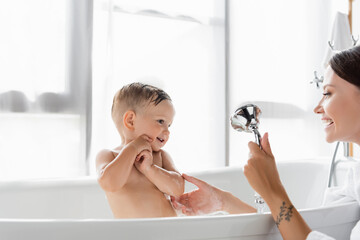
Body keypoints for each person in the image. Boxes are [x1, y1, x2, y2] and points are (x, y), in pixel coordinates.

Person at [171, 45, 360, 239]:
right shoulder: (355, 177)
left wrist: (272, 188)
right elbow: (301, 231)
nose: (317, 108)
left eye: (327, 93)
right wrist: (224, 202)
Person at [96, 82, 184, 218]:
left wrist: (150, 169)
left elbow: (178, 188)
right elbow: (109, 183)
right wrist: (132, 148)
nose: (167, 131)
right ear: (131, 121)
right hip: (133, 234)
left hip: (169, 232)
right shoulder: (109, 155)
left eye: (169, 125)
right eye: (160, 121)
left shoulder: (160, 156)